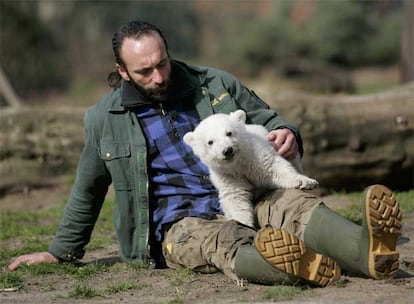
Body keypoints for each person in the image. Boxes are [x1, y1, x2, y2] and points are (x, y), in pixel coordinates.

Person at [8, 20, 402, 287]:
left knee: (294, 204)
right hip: (180, 223)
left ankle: (367, 251)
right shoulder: (104, 118)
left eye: (161, 63)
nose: (159, 77)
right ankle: (293, 266)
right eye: (144, 71)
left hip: (246, 188)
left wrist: (286, 132)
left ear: (167, 51)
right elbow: (88, 188)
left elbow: (268, 117)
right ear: (123, 71)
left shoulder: (214, 83)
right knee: (223, 239)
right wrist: (61, 252)